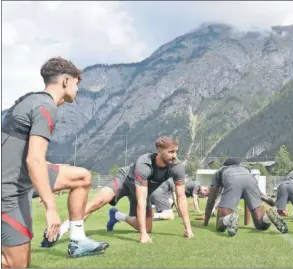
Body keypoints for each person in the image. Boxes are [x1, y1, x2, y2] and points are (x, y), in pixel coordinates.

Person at [1, 57, 109, 267]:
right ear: (66, 81)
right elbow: (34, 159)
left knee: (81, 177)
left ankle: (77, 241)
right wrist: (51, 206)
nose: (78, 90)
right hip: (9, 189)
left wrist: (49, 177)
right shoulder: (45, 106)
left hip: (21, 177)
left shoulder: (31, 100)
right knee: (17, 264)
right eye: (77, 83)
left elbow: (22, 151)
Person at [41, 136, 194, 246]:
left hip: (143, 190)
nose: (174, 156)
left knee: (147, 227)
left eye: (176, 151)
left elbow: (181, 198)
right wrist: (143, 236)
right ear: (159, 151)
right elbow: (141, 200)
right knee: (96, 203)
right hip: (124, 180)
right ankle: (59, 231)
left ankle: (117, 215)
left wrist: (188, 229)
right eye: (171, 152)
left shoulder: (177, 167)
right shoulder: (144, 163)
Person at [202, 159, 288, 236]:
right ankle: (267, 217)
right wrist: (274, 205)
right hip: (250, 180)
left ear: (225, 165)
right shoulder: (245, 169)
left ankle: (228, 219)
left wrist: (206, 222)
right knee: (261, 225)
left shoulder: (220, 171)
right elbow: (261, 196)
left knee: (220, 226)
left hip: (232, 180)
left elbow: (211, 199)